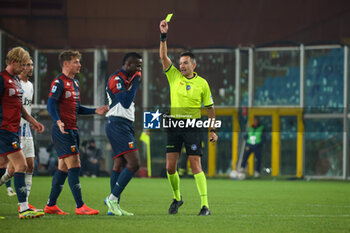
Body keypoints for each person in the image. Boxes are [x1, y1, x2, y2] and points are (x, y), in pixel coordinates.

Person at [159, 20, 218, 216]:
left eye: (185, 63)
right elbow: (163, 56)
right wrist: (163, 36)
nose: (181, 66)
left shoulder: (202, 84)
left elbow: (210, 109)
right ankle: (177, 198)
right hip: (174, 125)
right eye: (180, 63)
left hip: (192, 126)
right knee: (169, 167)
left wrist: (212, 129)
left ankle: (205, 205)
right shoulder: (174, 76)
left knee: (195, 165)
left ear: (194, 64)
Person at [44, 50, 108, 215]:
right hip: (62, 130)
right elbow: (51, 105)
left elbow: (78, 108)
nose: (79, 64)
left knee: (63, 168)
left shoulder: (75, 84)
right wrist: (58, 121)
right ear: (66, 64)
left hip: (73, 129)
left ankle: (51, 205)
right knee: (75, 165)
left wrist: (96, 110)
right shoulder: (59, 82)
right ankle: (80, 206)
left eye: (79, 62)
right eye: (76, 62)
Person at [0, 47, 45, 219]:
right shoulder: (2, 79)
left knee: (4, 166)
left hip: (14, 130)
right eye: (23, 64)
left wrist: (33, 122)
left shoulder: (16, 82)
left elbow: (19, 108)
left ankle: (24, 207)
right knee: (21, 166)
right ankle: (24, 208)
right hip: (4, 130)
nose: (25, 68)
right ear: (13, 62)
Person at [104, 52, 142, 216]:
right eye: (137, 65)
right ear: (127, 64)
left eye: (141, 65)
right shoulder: (116, 79)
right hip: (117, 123)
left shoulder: (127, 79)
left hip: (125, 123)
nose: (140, 68)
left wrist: (134, 81)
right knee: (134, 164)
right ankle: (112, 199)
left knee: (119, 165)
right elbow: (125, 103)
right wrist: (136, 83)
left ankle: (114, 207)